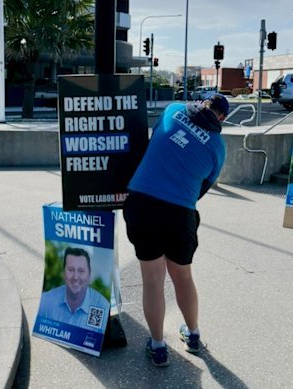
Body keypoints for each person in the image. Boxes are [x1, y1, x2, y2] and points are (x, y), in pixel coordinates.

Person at [123, 93, 228, 367]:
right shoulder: (218, 147)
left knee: (153, 279)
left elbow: (151, 144)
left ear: (200, 102)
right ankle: (193, 336)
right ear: (222, 118)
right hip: (180, 212)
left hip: (143, 202)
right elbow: (203, 187)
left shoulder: (172, 111)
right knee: (182, 276)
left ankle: (158, 347)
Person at [37, 247, 110, 333]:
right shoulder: (46, 301)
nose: (75, 277)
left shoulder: (102, 307)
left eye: (81, 271)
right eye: (71, 270)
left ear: (89, 276)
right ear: (63, 273)